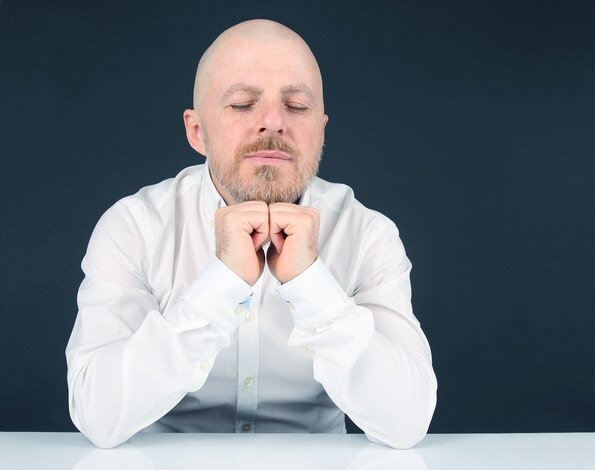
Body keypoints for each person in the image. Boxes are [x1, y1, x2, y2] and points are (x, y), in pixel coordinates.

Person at [65, 19, 437, 450]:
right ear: (196, 131)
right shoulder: (134, 228)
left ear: (321, 130)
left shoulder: (368, 235)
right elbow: (97, 415)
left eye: (297, 106)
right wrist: (221, 284)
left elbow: (406, 422)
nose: (274, 121)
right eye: (243, 104)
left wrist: (311, 285)